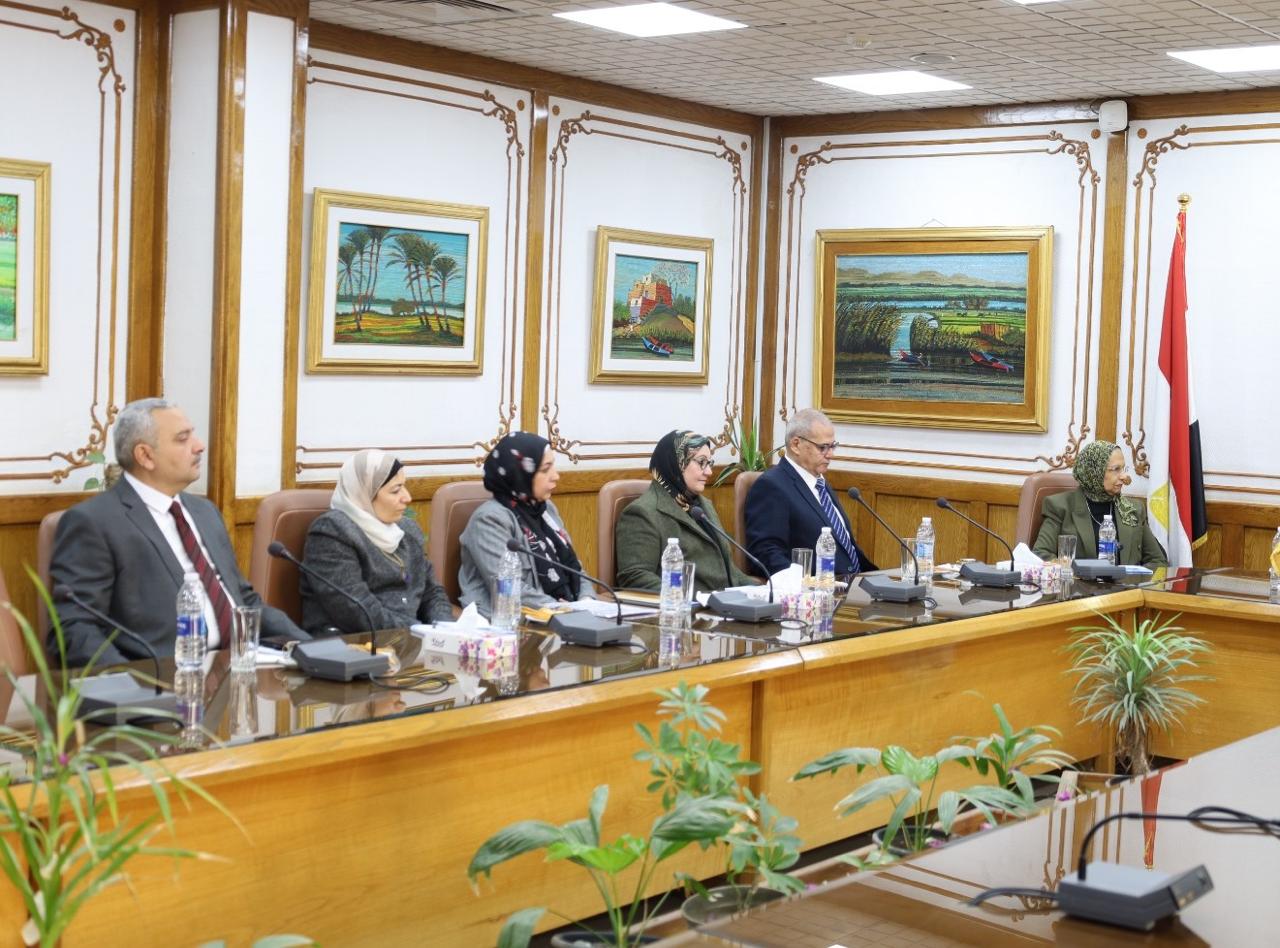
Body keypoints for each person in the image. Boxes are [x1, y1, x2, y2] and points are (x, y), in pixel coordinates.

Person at [49, 398, 308, 668]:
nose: (199, 445)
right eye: (183, 439)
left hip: (238, 669)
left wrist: (311, 649)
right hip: (161, 677)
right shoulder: (95, 522)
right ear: (145, 456)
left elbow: (244, 600)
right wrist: (132, 683)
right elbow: (75, 628)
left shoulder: (205, 512)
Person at [300, 449, 454, 634]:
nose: (407, 498)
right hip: (352, 642)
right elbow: (355, 610)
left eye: (404, 487)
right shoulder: (332, 531)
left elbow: (432, 593)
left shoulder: (407, 529)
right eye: (395, 490)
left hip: (412, 639)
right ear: (364, 494)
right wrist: (419, 633)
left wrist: (447, 631)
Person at [458, 432, 583, 617]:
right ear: (519, 474)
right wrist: (564, 611)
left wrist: (587, 602)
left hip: (565, 614)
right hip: (511, 621)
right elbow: (508, 589)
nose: (556, 476)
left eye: (553, 466)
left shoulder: (546, 509)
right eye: (545, 469)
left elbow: (576, 569)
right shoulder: (489, 520)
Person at [615, 430, 755, 593]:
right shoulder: (641, 513)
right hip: (687, 606)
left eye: (709, 463)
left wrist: (763, 591)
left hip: (723, 603)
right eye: (701, 462)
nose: (709, 472)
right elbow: (635, 577)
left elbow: (730, 573)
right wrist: (687, 598)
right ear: (676, 463)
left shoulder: (703, 506)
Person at [744, 408, 876, 576]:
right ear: (796, 445)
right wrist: (803, 584)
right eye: (823, 447)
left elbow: (846, 547)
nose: (831, 455)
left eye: (833, 446)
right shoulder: (771, 486)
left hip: (854, 581)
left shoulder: (819, 483)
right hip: (816, 587)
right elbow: (765, 552)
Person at [1033, 440, 1168, 568]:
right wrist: (1077, 573)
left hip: (1128, 584)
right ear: (1094, 472)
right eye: (1116, 469)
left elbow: (1158, 561)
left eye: (1123, 469)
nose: (1123, 476)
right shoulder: (1060, 507)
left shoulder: (1132, 509)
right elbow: (1041, 555)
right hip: (1078, 584)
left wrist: (1133, 579)